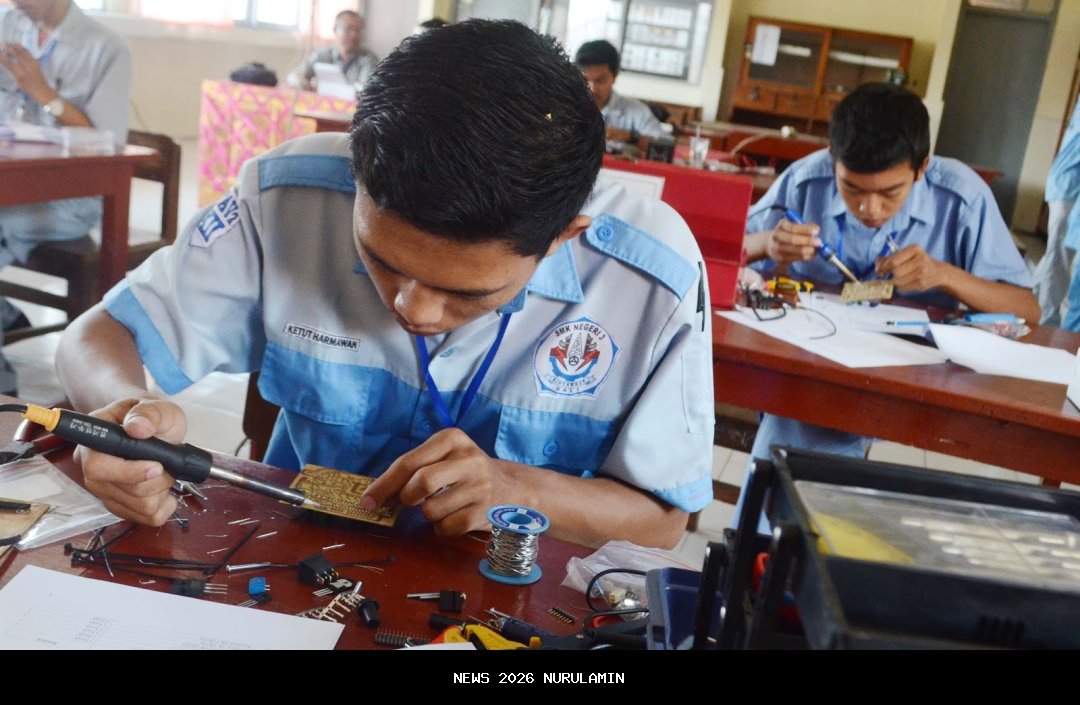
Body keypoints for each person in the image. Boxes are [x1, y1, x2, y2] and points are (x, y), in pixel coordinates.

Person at [56, 20, 714, 549]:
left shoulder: (650, 278)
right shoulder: (288, 199)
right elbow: (97, 335)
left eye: (466, 293)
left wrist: (521, 489)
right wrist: (122, 414)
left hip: (515, 594)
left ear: (561, 238)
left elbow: (663, 519)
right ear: (356, 176)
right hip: (297, 551)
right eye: (380, 258)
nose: (412, 308)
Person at [739, 82, 1037, 501]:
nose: (870, 209)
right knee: (809, 411)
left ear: (922, 167)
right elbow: (721, 252)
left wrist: (944, 275)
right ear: (832, 158)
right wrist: (766, 243)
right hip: (813, 362)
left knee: (806, 421)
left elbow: (1027, 310)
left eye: (890, 193)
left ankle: (774, 527)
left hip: (911, 377)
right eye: (852, 189)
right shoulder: (806, 181)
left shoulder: (962, 197)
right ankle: (795, 525)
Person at [0, 0, 130, 394]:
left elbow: (108, 143)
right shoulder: (9, 24)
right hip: (10, 184)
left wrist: (40, 91)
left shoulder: (105, 48)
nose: (16, 4)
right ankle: (5, 315)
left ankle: (3, 388)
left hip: (66, 199)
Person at [1035, 92, 1080, 327]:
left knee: (1056, 255)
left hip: (1068, 186)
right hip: (1067, 187)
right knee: (1058, 257)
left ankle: (1032, 301)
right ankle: (1046, 320)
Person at [573, 39, 667, 142]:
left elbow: (665, 144)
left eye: (600, 80)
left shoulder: (637, 111)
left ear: (615, 77)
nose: (592, 89)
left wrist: (630, 136)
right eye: (585, 80)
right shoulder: (568, 106)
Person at [287, 10, 378, 94]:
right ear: (335, 29)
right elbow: (293, 77)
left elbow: (365, 91)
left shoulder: (368, 59)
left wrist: (324, 87)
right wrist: (305, 84)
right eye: (348, 29)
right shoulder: (322, 54)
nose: (353, 35)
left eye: (358, 30)